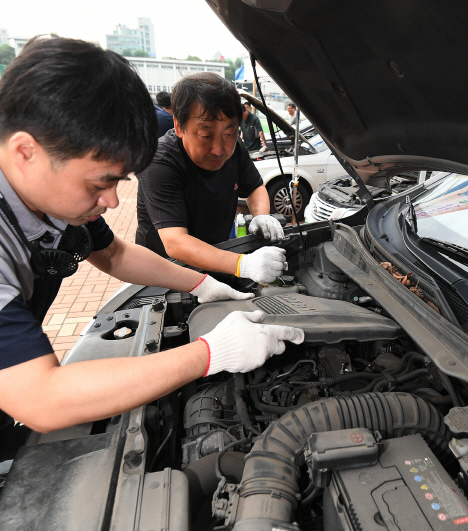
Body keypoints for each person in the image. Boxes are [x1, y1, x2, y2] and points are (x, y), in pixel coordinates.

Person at [0, 37, 303, 441]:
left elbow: (114, 254)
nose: (111, 201)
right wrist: (210, 354)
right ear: (26, 152)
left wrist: (202, 283)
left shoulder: (54, 202)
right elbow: (41, 399)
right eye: (100, 183)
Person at [136, 73, 286, 283]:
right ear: (179, 126)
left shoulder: (235, 150)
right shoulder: (159, 162)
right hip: (163, 274)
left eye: (229, 134)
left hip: (215, 258)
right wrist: (244, 265)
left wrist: (261, 215)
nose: (219, 150)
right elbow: (175, 242)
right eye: (206, 136)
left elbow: (255, 187)